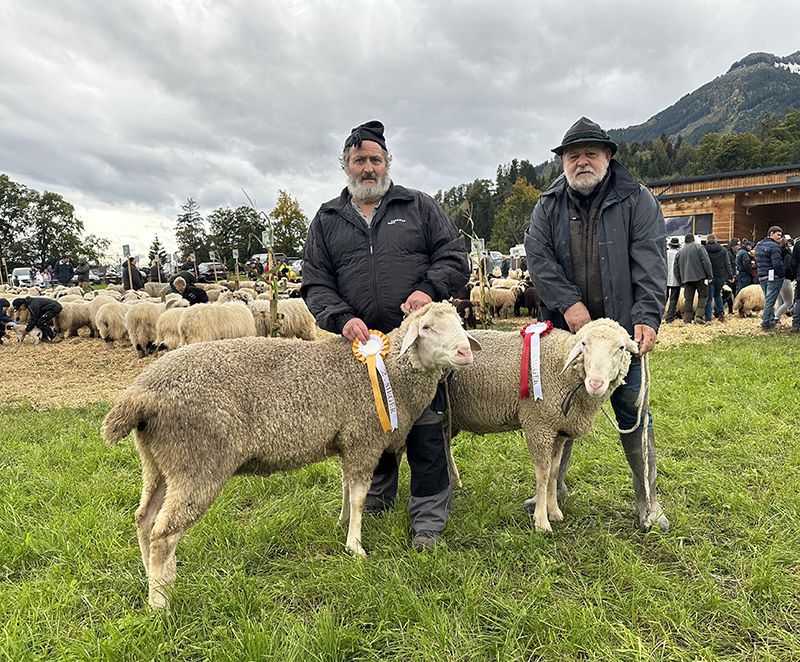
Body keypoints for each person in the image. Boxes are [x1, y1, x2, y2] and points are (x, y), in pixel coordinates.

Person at [301, 120, 470, 551]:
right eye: (359, 160)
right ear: (346, 165)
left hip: (418, 347)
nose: (368, 168)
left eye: (375, 159)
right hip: (362, 349)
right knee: (369, 425)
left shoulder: (417, 206)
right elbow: (315, 283)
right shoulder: (327, 219)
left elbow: (454, 255)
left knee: (426, 429)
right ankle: (376, 497)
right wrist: (341, 317)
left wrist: (428, 289)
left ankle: (428, 520)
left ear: (387, 162)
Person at [524, 116, 669, 532]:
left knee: (633, 410)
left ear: (607, 156)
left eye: (590, 153)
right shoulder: (548, 204)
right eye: (573, 156)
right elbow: (539, 257)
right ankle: (553, 489)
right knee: (558, 409)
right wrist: (568, 304)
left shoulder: (637, 199)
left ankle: (648, 501)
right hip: (565, 335)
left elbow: (651, 263)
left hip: (621, 335)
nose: (581, 162)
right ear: (563, 162)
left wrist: (647, 316)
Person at [675, 233, 712, 324]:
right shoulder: (699, 248)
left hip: (687, 279)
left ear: (685, 241)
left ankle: (687, 319)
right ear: (693, 240)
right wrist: (709, 275)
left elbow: (676, 269)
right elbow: (706, 262)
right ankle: (698, 316)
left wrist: (680, 282)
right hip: (700, 277)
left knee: (688, 299)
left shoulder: (680, 252)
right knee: (703, 297)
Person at [754, 226, 784, 331]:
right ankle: (765, 323)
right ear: (771, 233)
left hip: (762, 275)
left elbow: (756, 260)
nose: (780, 237)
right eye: (778, 234)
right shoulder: (774, 246)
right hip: (773, 276)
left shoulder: (759, 245)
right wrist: (781, 275)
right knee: (770, 301)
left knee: (768, 299)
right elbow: (777, 263)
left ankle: (771, 322)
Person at [703, 234, 732, 322]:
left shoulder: (704, 250)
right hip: (720, 276)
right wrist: (730, 276)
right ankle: (721, 313)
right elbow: (727, 264)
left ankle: (708, 318)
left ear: (707, 241)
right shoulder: (723, 250)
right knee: (717, 295)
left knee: (709, 298)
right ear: (716, 240)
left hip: (709, 277)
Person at [772, 237, 795, 324]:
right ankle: (776, 318)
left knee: (780, 302)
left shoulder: (777, 254)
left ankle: (775, 318)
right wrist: (792, 276)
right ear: (787, 244)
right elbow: (787, 267)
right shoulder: (787, 255)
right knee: (789, 302)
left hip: (777, 278)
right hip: (785, 279)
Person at [664, 237, 681, 323]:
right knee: (673, 299)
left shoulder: (665, 253)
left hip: (665, 278)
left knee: (664, 298)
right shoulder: (679, 253)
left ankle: (660, 315)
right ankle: (670, 317)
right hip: (676, 280)